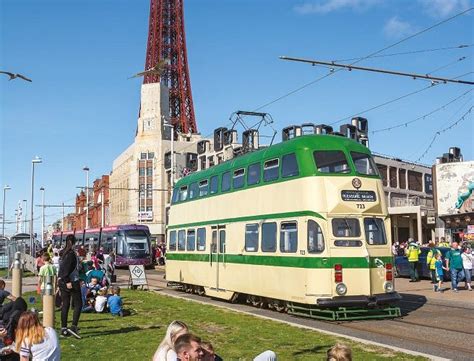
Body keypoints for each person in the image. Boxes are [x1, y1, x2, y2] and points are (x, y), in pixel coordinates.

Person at [58, 234, 82, 338]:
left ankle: (63, 327)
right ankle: (74, 326)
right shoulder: (71, 254)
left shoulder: (63, 253)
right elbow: (66, 269)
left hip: (63, 281)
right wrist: (68, 281)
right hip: (71, 281)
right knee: (78, 304)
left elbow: (62, 268)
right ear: (74, 242)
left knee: (66, 304)